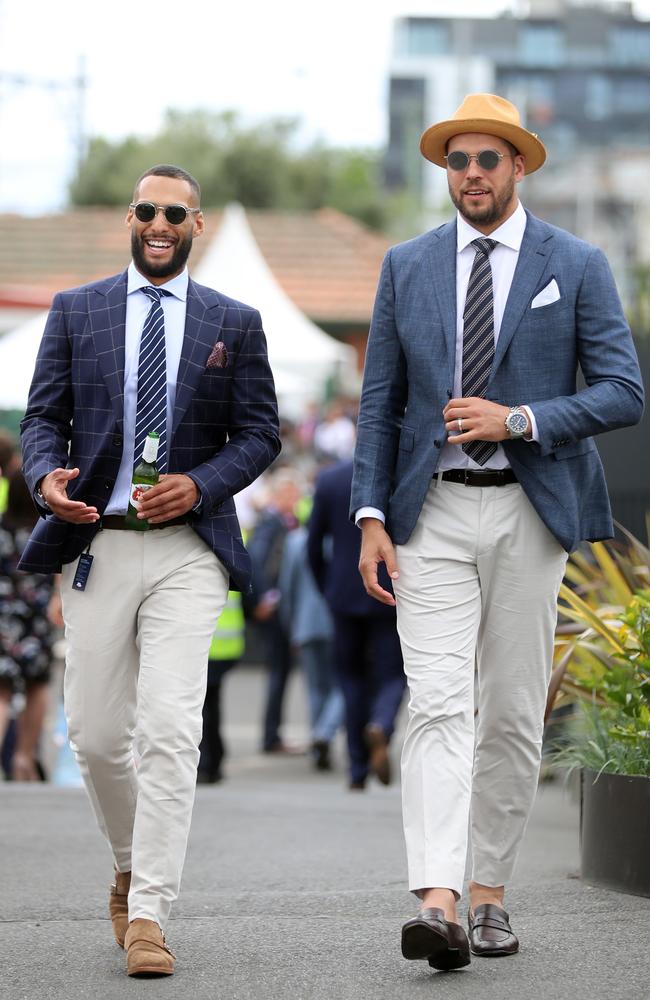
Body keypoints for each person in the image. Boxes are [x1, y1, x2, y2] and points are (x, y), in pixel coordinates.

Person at [350, 94, 644, 971]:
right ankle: (436, 901)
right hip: (429, 512)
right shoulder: (406, 265)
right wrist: (369, 514)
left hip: (530, 508)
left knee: (512, 715)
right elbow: (379, 403)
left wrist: (518, 418)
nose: (471, 175)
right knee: (437, 702)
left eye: (487, 160)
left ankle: (488, 900)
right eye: (457, 161)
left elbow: (624, 391)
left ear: (518, 167)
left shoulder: (577, 262)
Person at [19, 164, 280, 977]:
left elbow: (260, 432)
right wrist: (44, 479)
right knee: (95, 738)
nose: (158, 223)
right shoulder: (77, 310)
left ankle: (149, 914)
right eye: (145, 210)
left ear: (196, 224)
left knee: (171, 731)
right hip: (96, 543)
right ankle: (132, 862)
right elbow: (41, 420)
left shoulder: (235, 321)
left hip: (189, 551)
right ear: (129, 219)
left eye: (174, 212)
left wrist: (200, 484)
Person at [308, 458, 405, 790]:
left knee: (350, 679)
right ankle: (381, 722)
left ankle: (357, 770)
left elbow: (313, 543)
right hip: (392, 590)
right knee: (394, 673)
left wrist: (328, 587)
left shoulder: (330, 478)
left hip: (344, 593)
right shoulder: (401, 474)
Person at [0, 468, 54, 781]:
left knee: (2, 692)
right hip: (36, 618)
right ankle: (24, 757)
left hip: (4, 617)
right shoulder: (44, 528)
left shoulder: (3, 528)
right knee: (37, 686)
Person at [278, 519, 343, 771]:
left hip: (305, 625)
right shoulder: (344, 539)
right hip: (338, 623)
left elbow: (287, 587)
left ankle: (319, 742)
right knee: (342, 684)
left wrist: (291, 626)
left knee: (315, 688)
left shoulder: (296, 541)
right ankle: (325, 734)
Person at [247, 468, 302, 754]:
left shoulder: (286, 522)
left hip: (281, 605)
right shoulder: (272, 522)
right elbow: (255, 558)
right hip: (275, 608)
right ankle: (271, 736)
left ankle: (273, 734)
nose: (296, 498)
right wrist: (266, 597)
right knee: (278, 671)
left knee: (281, 671)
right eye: (291, 493)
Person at [198, 589, 246, 784]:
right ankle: (215, 760)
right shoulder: (230, 562)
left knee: (203, 707)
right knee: (211, 704)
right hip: (227, 649)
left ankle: (207, 763)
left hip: (207, 648)